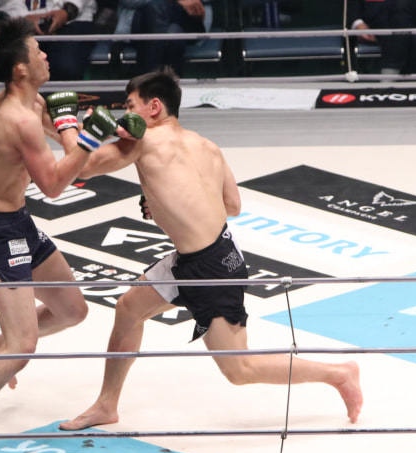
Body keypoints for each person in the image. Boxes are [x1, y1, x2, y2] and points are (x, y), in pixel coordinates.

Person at [59, 68, 363, 431]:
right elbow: (232, 205)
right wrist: (167, 197)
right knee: (128, 309)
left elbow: (82, 167)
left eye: (130, 105)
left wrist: (65, 123)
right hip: (206, 254)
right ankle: (107, 404)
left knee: (240, 369)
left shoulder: (143, 141)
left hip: (210, 269)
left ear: (153, 107)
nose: (125, 114)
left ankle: (339, 373)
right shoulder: (206, 145)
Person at [0, 17, 125, 453]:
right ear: (21, 68)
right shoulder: (18, 118)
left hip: (19, 221)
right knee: (23, 347)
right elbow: (55, 185)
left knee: (72, 310)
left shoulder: (28, 100)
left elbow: (68, 147)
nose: (45, 55)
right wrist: (90, 136)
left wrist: (82, 131)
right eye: (38, 51)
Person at [0, 0, 98, 80]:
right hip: (21, 20)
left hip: (73, 19)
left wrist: (67, 12)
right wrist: (22, 17)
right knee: (17, 68)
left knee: (66, 67)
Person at [116, 0, 209, 75]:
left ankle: (147, 84)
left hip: (189, 17)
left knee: (157, 8)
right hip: (140, 21)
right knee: (173, 33)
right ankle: (169, 90)